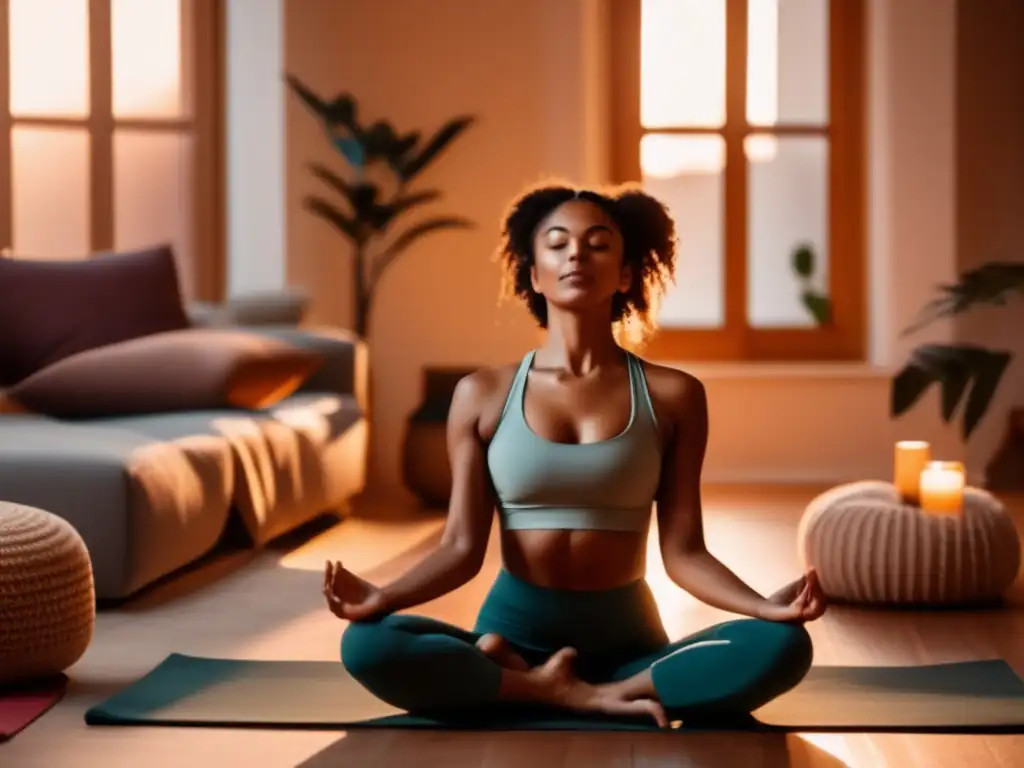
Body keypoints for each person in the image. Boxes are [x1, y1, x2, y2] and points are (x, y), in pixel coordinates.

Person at [324, 182, 826, 728]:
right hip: (514, 636)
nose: (576, 255)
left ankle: (582, 689)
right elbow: (461, 547)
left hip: (630, 648)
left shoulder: (674, 395)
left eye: (598, 243)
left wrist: (764, 608)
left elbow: (684, 552)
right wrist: (382, 597)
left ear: (627, 274)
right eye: (558, 243)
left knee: (784, 646)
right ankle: (545, 688)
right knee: (368, 645)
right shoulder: (483, 394)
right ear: (534, 275)